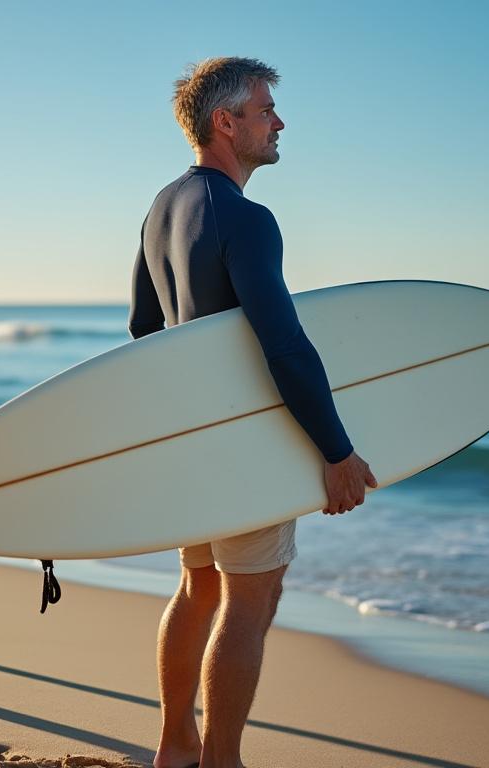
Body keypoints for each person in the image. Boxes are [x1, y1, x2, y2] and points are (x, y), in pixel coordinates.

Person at [129, 58, 378, 768]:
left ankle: (177, 745)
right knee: (249, 598)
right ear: (225, 122)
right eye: (266, 109)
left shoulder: (162, 209)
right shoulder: (245, 217)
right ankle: (222, 760)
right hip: (244, 443)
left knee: (197, 586)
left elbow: (144, 332)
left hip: (192, 439)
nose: (279, 122)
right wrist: (336, 451)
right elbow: (285, 346)